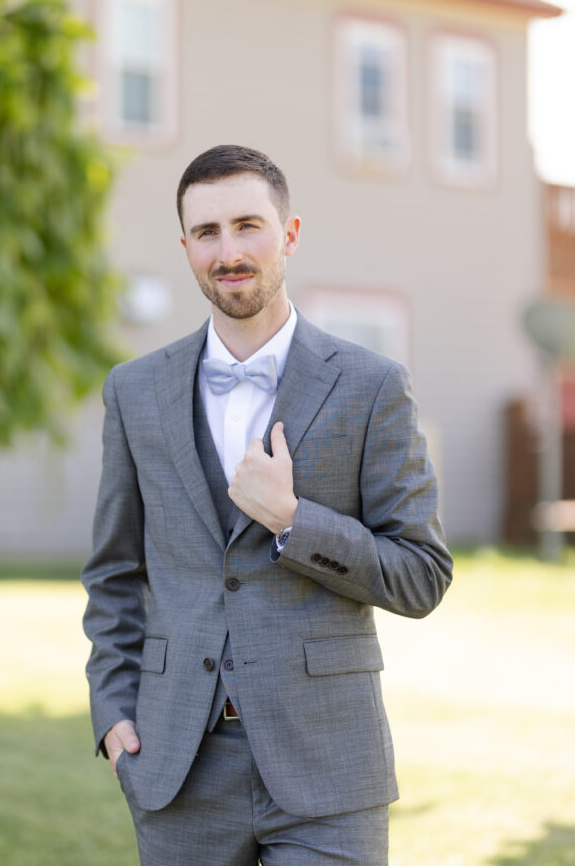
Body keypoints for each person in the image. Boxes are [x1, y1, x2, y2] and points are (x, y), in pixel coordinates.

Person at [82, 144, 453, 866]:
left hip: (328, 766)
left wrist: (293, 520)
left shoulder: (371, 386)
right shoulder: (134, 392)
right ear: (186, 246)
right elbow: (113, 572)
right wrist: (113, 711)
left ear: (288, 234)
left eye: (248, 225)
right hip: (175, 766)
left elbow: (421, 574)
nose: (229, 251)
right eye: (207, 233)